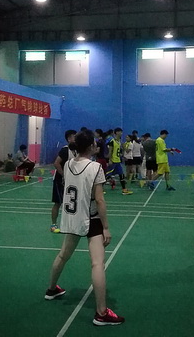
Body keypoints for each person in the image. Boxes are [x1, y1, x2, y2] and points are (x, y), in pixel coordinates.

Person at [45, 130, 124, 326]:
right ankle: (101, 312)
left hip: (73, 217)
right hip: (91, 218)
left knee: (63, 255)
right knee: (97, 264)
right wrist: (106, 227)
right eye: (95, 143)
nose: (97, 145)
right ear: (90, 147)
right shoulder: (95, 167)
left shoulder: (68, 164)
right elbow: (100, 200)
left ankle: (51, 289)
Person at [51, 130, 77, 233]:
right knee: (58, 203)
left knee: (71, 203)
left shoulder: (77, 151)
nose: (76, 138)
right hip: (60, 180)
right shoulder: (65, 150)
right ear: (69, 139)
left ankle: (70, 224)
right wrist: (64, 175)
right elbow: (56, 163)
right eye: (74, 136)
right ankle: (53, 224)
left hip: (72, 181)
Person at [106, 128, 133, 195]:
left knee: (121, 175)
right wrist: (110, 160)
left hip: (118, 161)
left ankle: (124, 190)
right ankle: (99, 188)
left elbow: (120, 151)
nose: (121, 133)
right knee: (107, 175)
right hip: (113, 161)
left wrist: (123, 156)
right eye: (120, 132)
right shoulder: (112, 141)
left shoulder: (119, 142)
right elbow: (110, 151)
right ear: (117, 132)